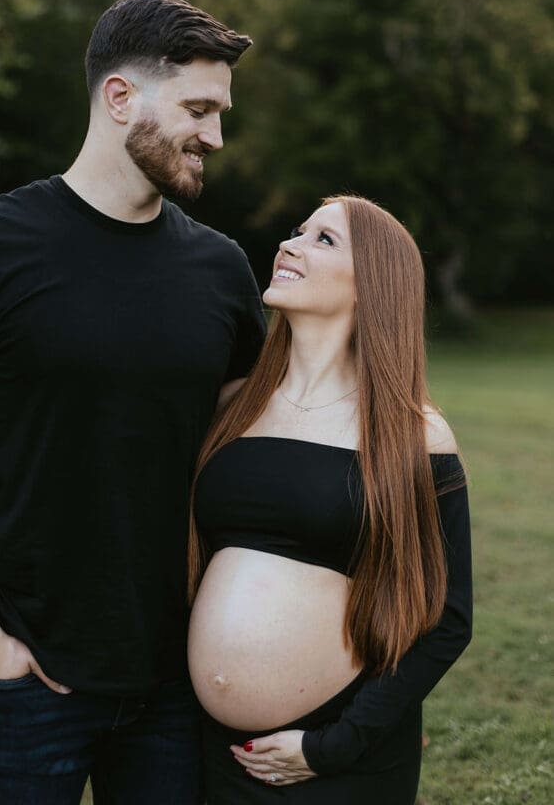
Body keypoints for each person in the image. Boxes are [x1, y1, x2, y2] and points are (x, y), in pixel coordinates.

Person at [0, 0, 266, 805]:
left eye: (220, 112)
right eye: (198, 109)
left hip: (180, 673)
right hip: (27, 673)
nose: (215, 136)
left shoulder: (222, 270)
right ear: (119, 97)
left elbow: (244, 454)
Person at [188, 195, 472, 804]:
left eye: (323, 240)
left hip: (336, 760)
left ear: (372, 285)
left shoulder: (413, 434)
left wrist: (333, 746)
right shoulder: (234, 407)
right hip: (213, 749)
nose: (290, 244)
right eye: (297, 231)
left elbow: (447, 618)